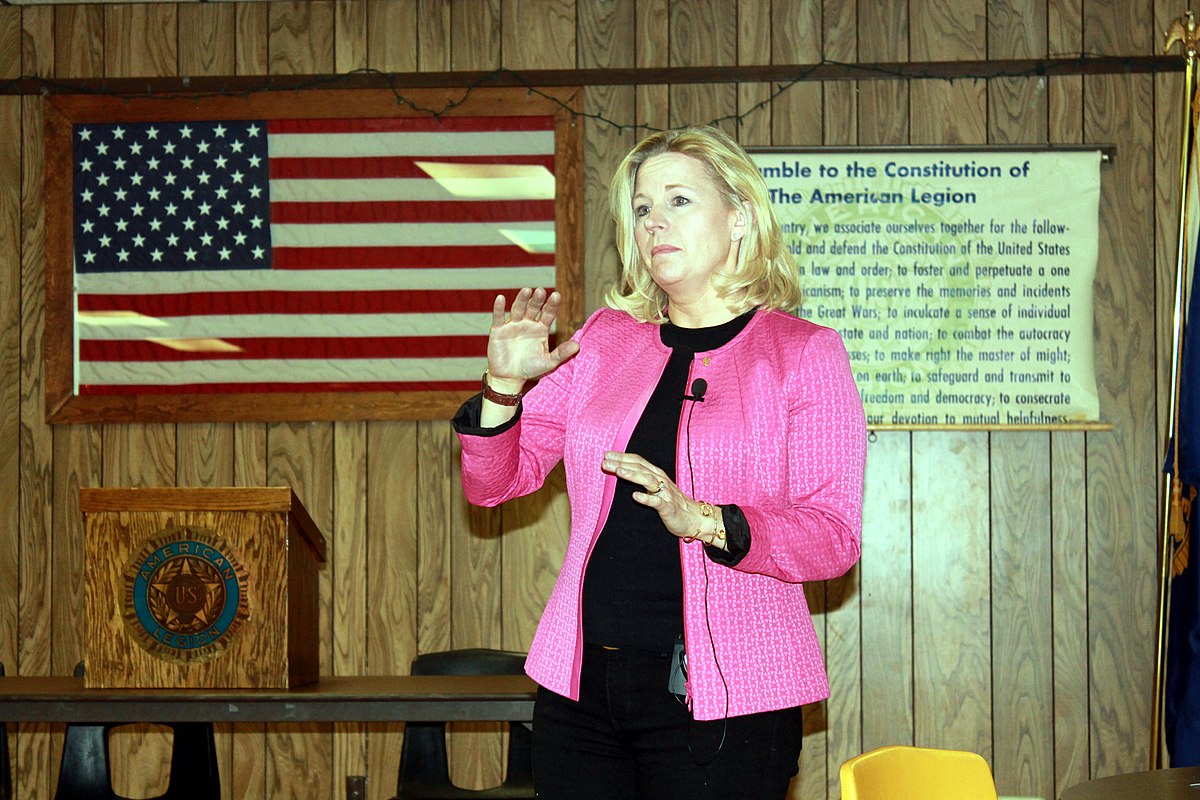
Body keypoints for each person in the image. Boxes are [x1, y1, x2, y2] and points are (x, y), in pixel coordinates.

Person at [453, 125, 865, 799]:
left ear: (739, 218)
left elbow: (832, 537)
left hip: (726, 701)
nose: (654, 223)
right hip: (581, 693)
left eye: (678, 201)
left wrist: (705, 520)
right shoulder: (605, 341)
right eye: (642, 208)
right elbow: (493, 485)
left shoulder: (803, 353)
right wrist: (502, 389)